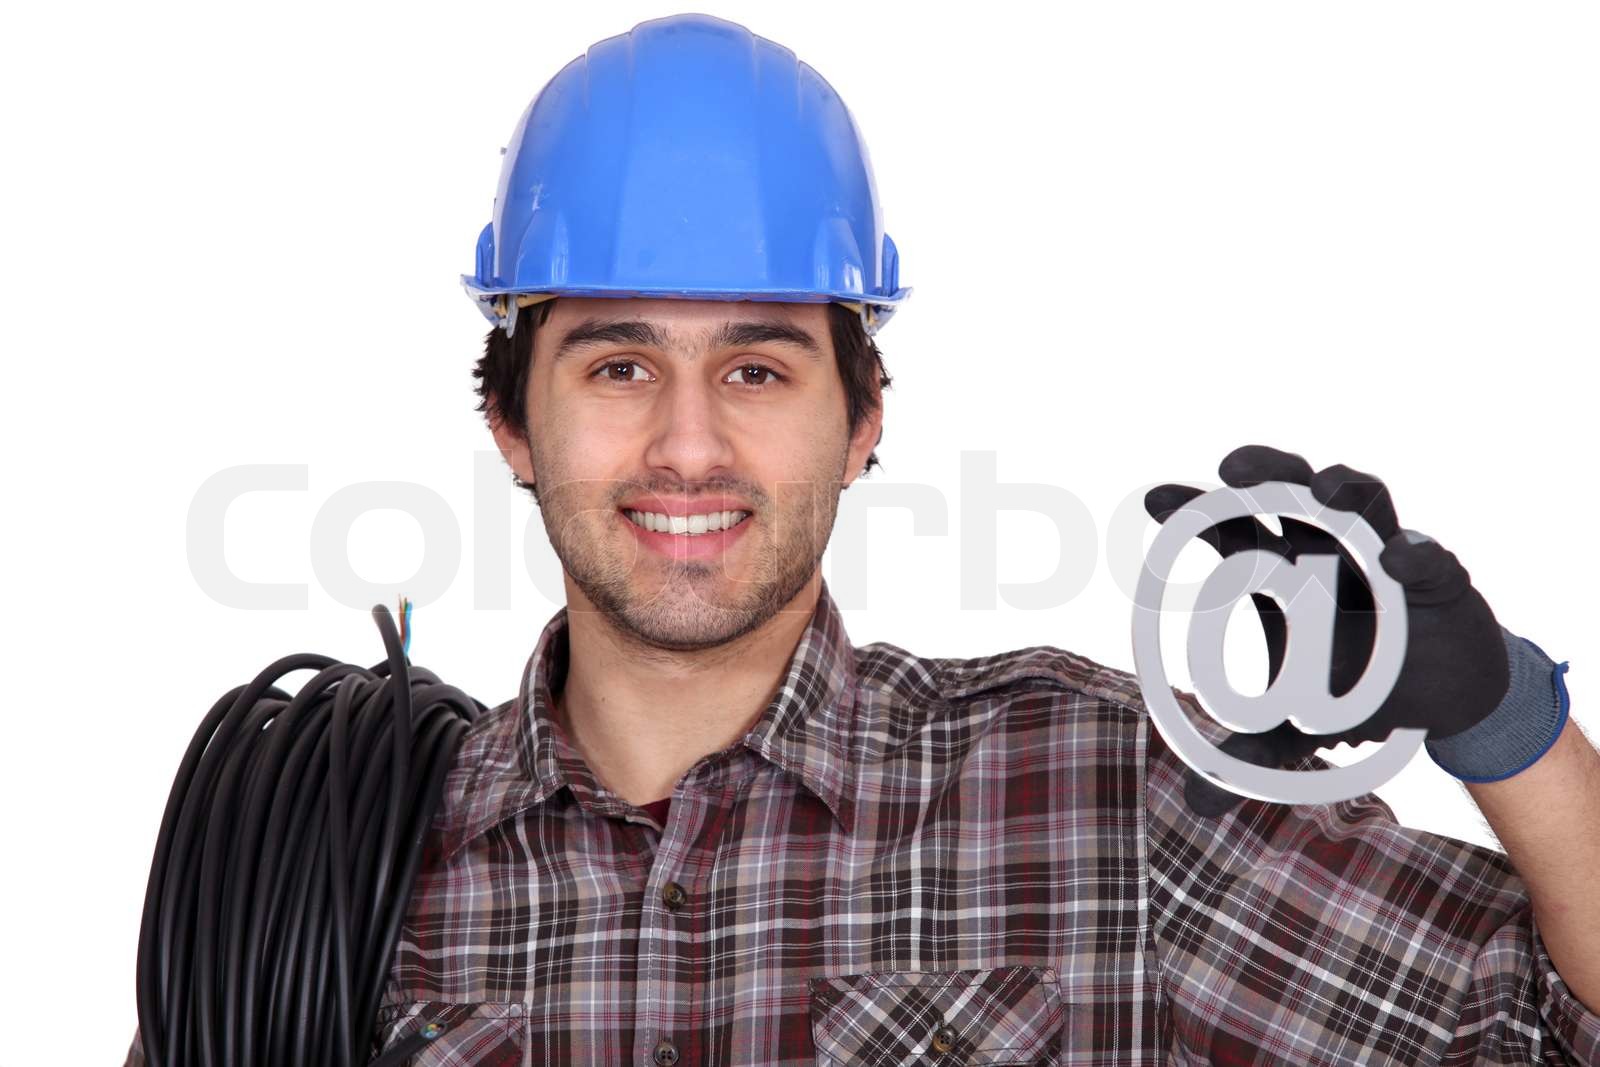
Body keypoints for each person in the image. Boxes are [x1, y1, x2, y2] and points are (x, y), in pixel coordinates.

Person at [126, 13, 1600, 1065]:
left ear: (863, 419)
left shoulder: (1102, 798)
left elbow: (1553, 1030)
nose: (688, 445)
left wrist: (1502, 725)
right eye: (619, 365)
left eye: (758, 370)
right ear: (512, 421)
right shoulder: (326, 880)